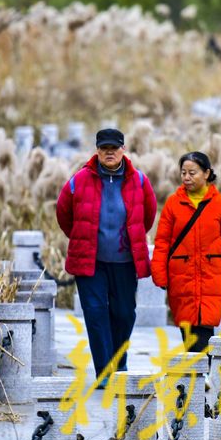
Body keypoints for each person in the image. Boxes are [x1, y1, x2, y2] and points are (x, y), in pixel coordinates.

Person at [56, 128, 157, 384]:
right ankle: (104, 370)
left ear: (123, 149)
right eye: (104, 148)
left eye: (114, 148)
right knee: (95, 313)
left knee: (124, 313)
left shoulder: (139, 181)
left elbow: (147, 216)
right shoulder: (79, 180)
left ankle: (119, 359)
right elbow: (63, 213)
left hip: (125, 261)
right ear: (97, 150)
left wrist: (131, 238)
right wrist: (82, 237)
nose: (109, 152)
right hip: (90, 263)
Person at [151, 151, 221, 353]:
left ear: (207, 173)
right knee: (188, 328)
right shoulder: (173, 204)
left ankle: (201, 368)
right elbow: (162, 241)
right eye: (183, 172)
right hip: (181, 276)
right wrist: (159, 273)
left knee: (204, 326)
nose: (187, 177)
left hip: (211, 275)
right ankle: (201, 368)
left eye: (192, 173)